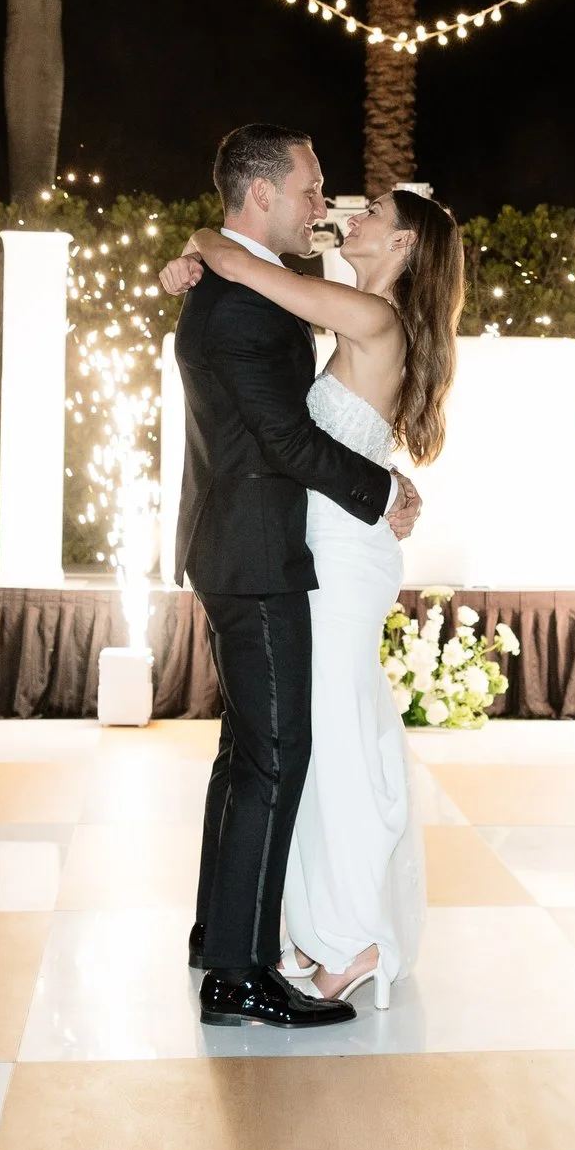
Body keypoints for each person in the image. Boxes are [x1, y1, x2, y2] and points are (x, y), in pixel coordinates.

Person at [162, 184, 465, 1011]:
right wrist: (196, 249)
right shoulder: (358, 312)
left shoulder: (372, 320)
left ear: (402, 248)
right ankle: (321, 928)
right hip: (324, 547)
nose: (350, 218)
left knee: (331, 744)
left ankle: (352, 941)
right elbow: (239, 258)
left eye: (375, 218)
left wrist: (199, 246)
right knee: (329, 738)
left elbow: (237, 258)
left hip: (342, 554)